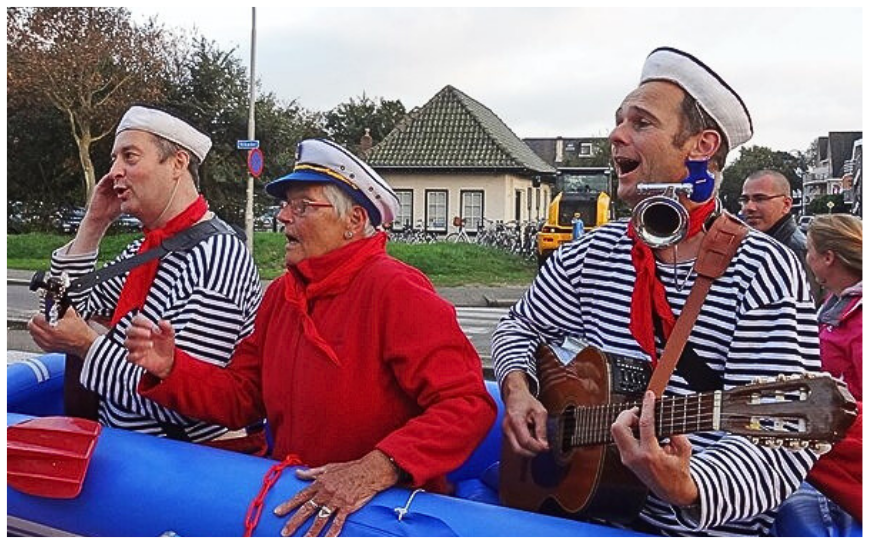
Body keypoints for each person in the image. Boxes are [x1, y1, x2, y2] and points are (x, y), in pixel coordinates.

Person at [492, 47, 820, 536]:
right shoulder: (591, 253)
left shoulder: (762, 268)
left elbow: (780, 440)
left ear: (701, 146)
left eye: (641, 123)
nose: (616, 135)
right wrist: (518, 388)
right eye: (619, 120)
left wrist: (686, 485)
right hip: (576, 508)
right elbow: (518, 326)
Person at [124, 138, 497, 537]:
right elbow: (244, 397)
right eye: (286, 205)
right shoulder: (281, 295)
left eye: (302, 206)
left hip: (383, 516)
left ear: (352, 222)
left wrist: (374, 469)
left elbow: (467, 405)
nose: (283, 217)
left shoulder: (396, 290)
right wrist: (172, 369)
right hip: (297, 504)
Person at [27, 105, 265, 453]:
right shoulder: (147, 248)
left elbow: (181, 403)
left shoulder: (217, 254)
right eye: (114, 159)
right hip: (133, 455)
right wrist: (92, 226)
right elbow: (61, 314)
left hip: (183, 466)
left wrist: (84, 345)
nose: (114, 173)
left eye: (130, 157)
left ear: (178, 164)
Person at [740, 169, 823, 303]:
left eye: (760, 199)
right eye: (744, 200)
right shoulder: (755, 244)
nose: (749, 207)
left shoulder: (795, 250)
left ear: (786, 204)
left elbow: (805, 308)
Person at [805, 214, 862, 401]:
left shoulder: (859, 321)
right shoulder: (835, 303)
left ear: (828, 258)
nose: (807, 259)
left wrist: (834, 414)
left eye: (808, 250)